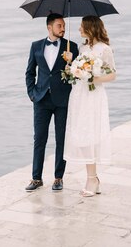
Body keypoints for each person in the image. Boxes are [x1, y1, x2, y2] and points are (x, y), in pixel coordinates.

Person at [25, 13, 79, 191]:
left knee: (61, 139)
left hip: (62, 100)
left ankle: (58, 177)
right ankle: (36, 178)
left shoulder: (72, 47)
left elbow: (77, 76)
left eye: (63, 26)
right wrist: (32, 93)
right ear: (49, 27)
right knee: (39, 139)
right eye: (59, 26)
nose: (62, 29)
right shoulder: (36, 46)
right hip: (41, 99)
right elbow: (30, 72)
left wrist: (72, 63)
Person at [63, 15, 116, 197]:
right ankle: (93, 177)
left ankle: (92, 178)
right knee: (82, 134)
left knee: (91, 135)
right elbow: (79, 69)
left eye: (81, 26)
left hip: (94, 95)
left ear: (90, 27)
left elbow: (112, 75)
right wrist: (72, 64)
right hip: (79, 95)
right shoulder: (82, 47)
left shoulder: (105, 49)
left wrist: (93, 78)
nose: (79, 29)